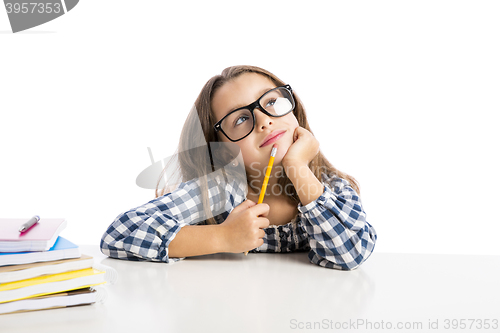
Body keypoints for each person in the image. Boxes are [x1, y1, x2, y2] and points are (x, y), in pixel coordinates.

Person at [100, 65, 377, 270]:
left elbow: (351, 253)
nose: (263, 121)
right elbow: (119, 234)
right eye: (241, 119)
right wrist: (222, 236)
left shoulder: (332, 189)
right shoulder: (216, 194)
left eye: (271, 102)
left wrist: (297, 167)